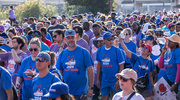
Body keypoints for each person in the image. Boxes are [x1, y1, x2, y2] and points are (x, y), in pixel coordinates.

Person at [56, 30, 94, 100]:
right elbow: (59, 72)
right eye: (68, 38)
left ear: (75, 38)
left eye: (72, 37)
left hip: (81, 92)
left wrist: (90, 87)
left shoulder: (84, 52)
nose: (71, 40)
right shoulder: (62, 54)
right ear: (65, 39)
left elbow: (90, 70)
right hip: (66, 92)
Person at [96, 32, 125, 100]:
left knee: (116, 98)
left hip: (115, 80)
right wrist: (97, 79)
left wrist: (119, 80)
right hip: (105, 79)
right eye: (109, 39)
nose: (111, 41)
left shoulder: (117, 50)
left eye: (112, 39)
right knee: (103, 97)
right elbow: (99, 65)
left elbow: (121, 66)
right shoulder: (100, 50)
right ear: (104, 40)